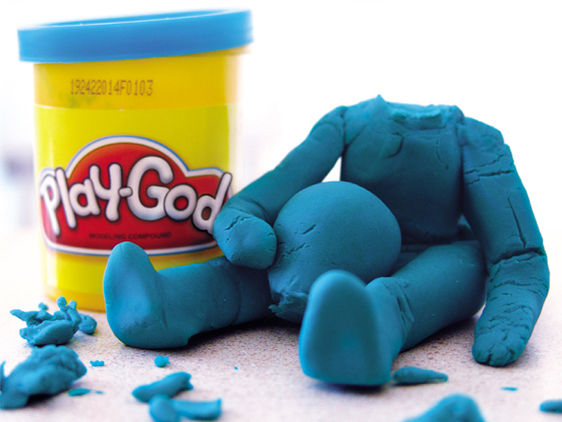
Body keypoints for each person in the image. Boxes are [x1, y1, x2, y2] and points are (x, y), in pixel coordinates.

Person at [103, 96, 549, 386]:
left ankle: (366, 333)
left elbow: (517, 251)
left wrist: (510, 311)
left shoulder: (476, 141)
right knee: (253, 271)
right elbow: (286, 178)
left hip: (429, 256)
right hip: (339, 244)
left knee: (440, 278)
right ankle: (165, 304)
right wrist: (243, 219)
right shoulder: (349, 121)